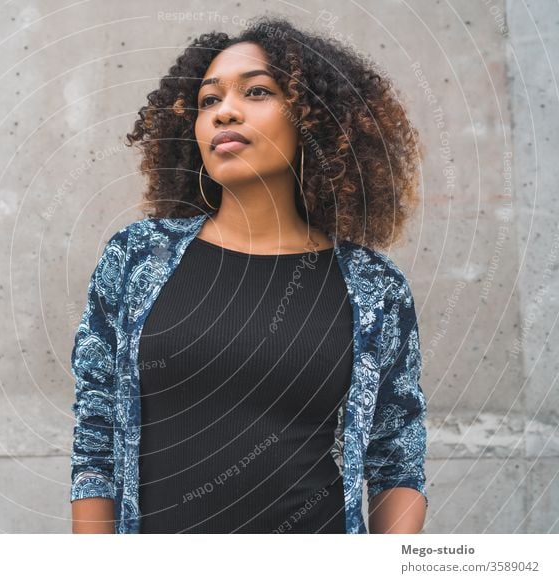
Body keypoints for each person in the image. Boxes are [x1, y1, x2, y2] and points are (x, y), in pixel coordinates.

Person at [70, 15, 427, 534]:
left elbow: (396, 456)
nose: (224, 112)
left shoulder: (375, 287)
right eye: (208, 100)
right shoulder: (136, 258)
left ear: (313, 119)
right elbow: (95, 440)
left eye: (256, 91)